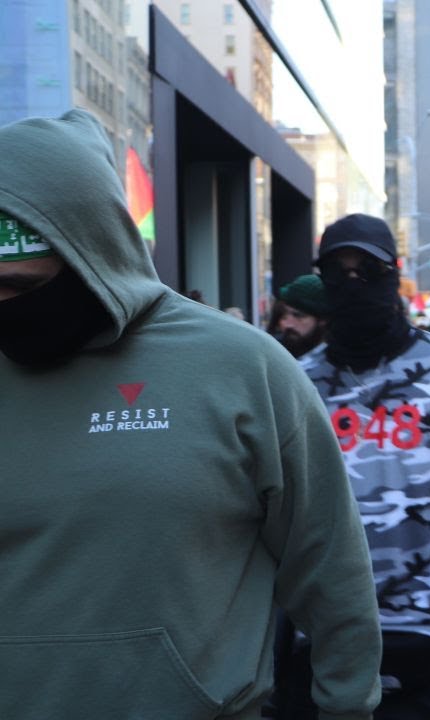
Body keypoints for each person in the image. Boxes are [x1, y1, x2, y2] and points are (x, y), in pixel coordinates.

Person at [0, 110, 381, 717]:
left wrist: (347, 708)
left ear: (91, 248)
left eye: (21, 286)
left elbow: (331, 567)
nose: (5, 307)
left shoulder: (243, 366)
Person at [295, 213, 430, 718]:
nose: (353, 284)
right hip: (326, 640)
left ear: (393, 275)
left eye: (368, 270)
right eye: (338, 271)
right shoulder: (296, 383)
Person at [268, 273, 329, 358]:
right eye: (284, 314)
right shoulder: (273, 352)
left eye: (298, 316)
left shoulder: (338, 365)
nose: (286, 324)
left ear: (322, 320)